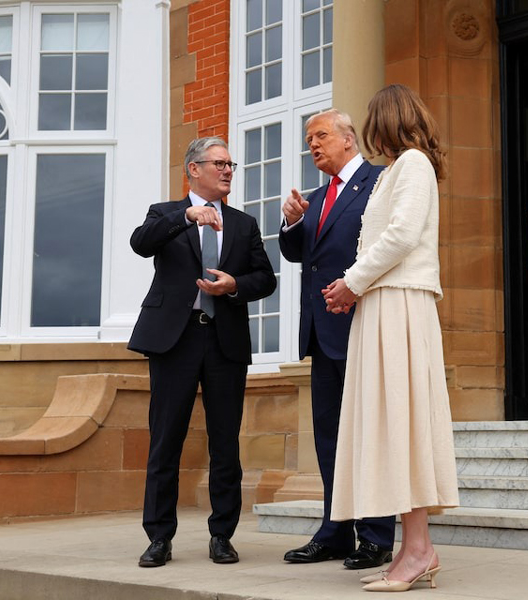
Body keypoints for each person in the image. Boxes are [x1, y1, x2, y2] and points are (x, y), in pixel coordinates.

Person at [323, 84, 460, 593]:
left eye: (370, 122)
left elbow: (401, 236)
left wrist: (351, 282)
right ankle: (413, 548)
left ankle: (420, 548)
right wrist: (354, 288)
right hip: (383, 304)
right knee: (392, 426)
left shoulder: (414, 166)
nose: (364, 133)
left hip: (400, 304)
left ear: (387, 121)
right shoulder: (396, 171)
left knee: (404, 425)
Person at [128, 137, 276, 568]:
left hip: (224, 340)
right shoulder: (165, 213)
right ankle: (158, 538)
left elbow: (265, 279)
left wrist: (235, 286)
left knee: (225, 443)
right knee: (165, 440)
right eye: (220, 163)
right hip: (174, 339)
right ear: (194, 169)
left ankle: (222, 536)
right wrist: (185, 216)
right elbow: (141, 243)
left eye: (232, 164)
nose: (229, 170)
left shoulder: (244, 224)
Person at [279, 109, 396, 569]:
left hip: (363, 324)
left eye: (321, 135)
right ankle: (335, 531)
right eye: (309, 139)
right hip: (322, 334)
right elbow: (299, 255)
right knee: (329, 437)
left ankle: (375, 535)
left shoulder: (380, 182)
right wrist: (290, 223)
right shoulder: (315, 196)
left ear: (349, 139)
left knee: (369, 434)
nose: (313, 144)